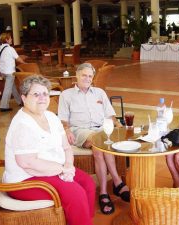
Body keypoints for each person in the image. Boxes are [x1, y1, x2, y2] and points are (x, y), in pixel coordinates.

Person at [3, 75, 95, 225]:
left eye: (45, 94)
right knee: (75, 194)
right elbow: (27, 163)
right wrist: (62, 170)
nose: (42, 98)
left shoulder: (51, 117)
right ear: (24, 98)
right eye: (36, 94)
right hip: (25, 180)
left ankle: (83, 220)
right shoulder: (23, 124)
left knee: (88, 183)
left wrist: (69, 166)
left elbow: (66, 147)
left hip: (54, 169)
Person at [58, 63, 129, 215]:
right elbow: (63, 119)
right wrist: (66, 130)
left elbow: (111, 116)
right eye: (84, 75)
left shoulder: (99, 93)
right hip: (80, 131)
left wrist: (120, 126)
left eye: (90, 76)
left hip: (101, 129)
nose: (87, 78)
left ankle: (104, 192)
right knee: (101, 142)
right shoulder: (66, 95)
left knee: (100, 146)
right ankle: (117, 182)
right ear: (76, 75)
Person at [0, 32, 25, 112]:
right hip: (10, 72)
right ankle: (4, 106)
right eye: (10, 38)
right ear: (6, 40)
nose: (11, 39)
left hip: (3, 71)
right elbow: (18, 59)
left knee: (12, 87)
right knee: (8, 88)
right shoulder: (10, 49)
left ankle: (19, 101)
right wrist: (25, 64)